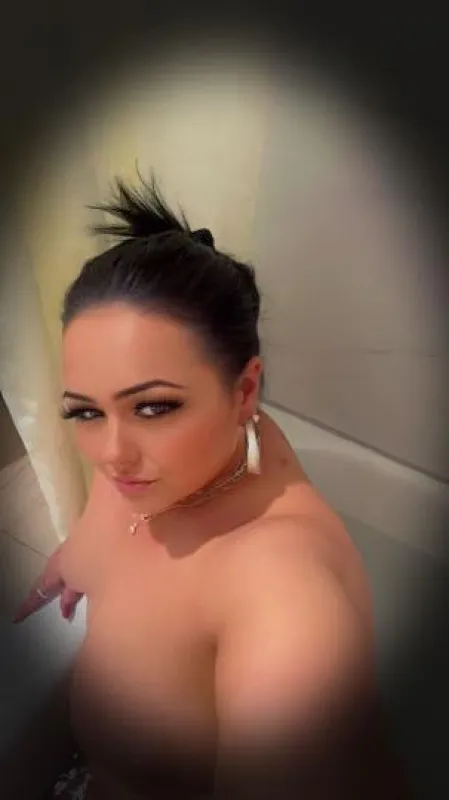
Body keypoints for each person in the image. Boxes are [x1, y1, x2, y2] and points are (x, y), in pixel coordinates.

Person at [14, 175, 410, 799]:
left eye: (152, 407)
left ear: (245, 391)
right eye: (85, 410)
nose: (111, 455)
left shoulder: (286, 606)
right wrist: (77, 557)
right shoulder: (171, 461)